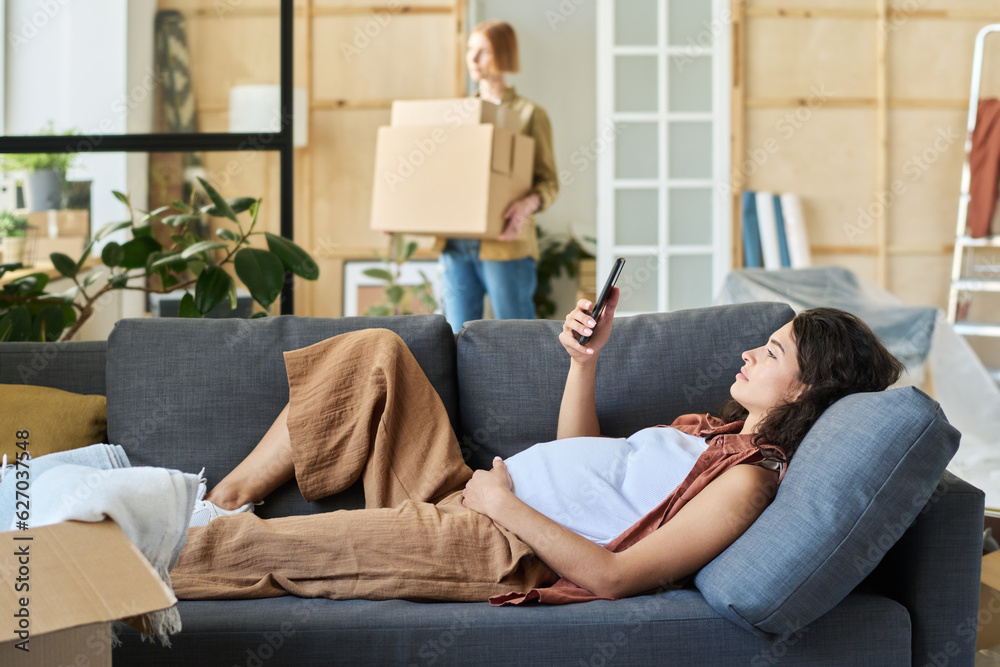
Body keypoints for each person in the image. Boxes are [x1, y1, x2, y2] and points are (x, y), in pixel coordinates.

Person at [170, 292, 904, 604]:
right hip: (465, 488)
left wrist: (502, 505)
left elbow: (614, 575)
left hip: (492, 539)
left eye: (771, 353)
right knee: (376, 352)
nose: (749, 351)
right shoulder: (709, 435)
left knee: (279, 549)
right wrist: (585, 363)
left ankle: (129, 556)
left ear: (805, 392)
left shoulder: (745, 485)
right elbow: (584, 462)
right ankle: (218, 498)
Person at [434, 20, 560, 334]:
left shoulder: (531, 114)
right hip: (457, 242)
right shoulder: (459, 114)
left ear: (503, 55)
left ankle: (528, 386)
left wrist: (525, 206)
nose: (473, 60)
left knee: (517, 337)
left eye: (483, 52)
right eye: (469, 50)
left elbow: (549, 183)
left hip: (506, 242)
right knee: (456, 337)